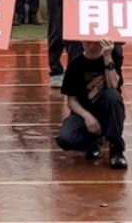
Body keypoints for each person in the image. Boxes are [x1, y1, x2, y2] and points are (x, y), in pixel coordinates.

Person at [54, 38, 127, 169]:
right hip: (85, 112)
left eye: (95, 42)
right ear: (81, 43)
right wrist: (87, 116)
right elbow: (71, 100)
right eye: (88, 42)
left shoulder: (111, 59)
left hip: (106, 110)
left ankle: (116, 149)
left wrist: (107, 58)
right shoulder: (76, 64)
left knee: (113, 97)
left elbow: (113, 86)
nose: (92, 46)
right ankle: (91, 143)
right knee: (65, 138)